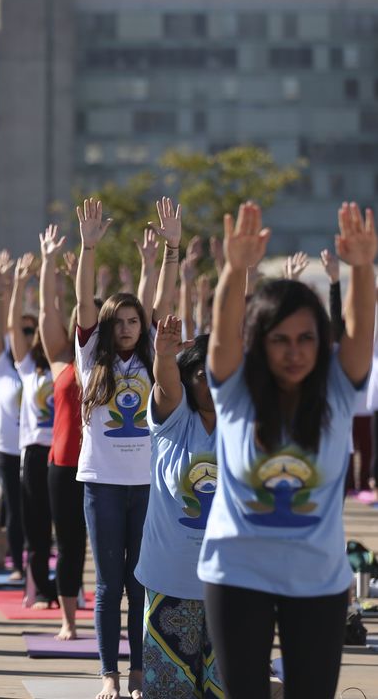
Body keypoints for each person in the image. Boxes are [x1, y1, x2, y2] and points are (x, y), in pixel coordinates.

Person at [203, 201, 375, 698]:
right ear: (259, 342)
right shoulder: (233, 390)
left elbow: (360, 329)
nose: (294, 351)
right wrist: (235, 271)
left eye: (306, 338)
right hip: (236, 573)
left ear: (322, 342)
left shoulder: (339, 390)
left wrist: (362, 267)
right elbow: (221, 338)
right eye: (279, 339)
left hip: (317, 578)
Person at [75, 197, 179, 699]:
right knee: (108, 585)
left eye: (133, 323)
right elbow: (83, 306)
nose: (125, 329)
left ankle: (140, 671)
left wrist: (172, 251)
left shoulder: (151, 359)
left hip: (147, 487)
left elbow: (164, 301)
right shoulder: (92, 361)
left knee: (141, 583)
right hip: (102, 486)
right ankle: (108, 675)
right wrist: (88, 248)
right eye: (118, 322)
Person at [132, 322, 223, 698]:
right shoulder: (174, 420)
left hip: (230, 588)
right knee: (171, 692)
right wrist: (165, 355)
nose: (213, 385)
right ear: (188, 379)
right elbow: (166, 383)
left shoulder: (244, 425)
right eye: (203, 376)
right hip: (170, 583)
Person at [38, 224, 89, 640]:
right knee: (69, 544)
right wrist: (50, 262)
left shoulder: (114, 369)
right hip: (62, 465)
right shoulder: (61, 363)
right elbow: (46, 315)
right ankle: (68, 619)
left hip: (104, 467)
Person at [8, 252, 57, 607]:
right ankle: (38, 588)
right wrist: (20, 283)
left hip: (66, 454)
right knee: (37, 527)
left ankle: (63, 586)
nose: (37, 335)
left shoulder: (67, 363)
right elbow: (13, 328)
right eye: (33, 332)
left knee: (67, 530)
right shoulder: (27, 368)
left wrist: (52, 277)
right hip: (35, 452)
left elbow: (53, 313)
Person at [0, 254, 26, 581]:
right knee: (13, 507)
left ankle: (35, 560)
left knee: (35, 510)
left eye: (29, 331)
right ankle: (16, 562)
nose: (23, 336)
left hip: (37, 450)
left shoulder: (38, 370)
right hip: (7, 450)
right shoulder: (1, 368)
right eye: (20, 331)